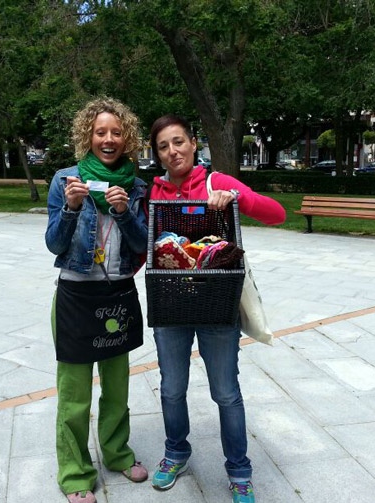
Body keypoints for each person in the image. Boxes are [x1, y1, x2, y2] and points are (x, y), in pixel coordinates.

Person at [148, 115, 286, 503]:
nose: (172, 151)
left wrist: (235, 198)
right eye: (163, 146)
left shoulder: (217, 182)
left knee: (226, 392)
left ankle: (239, 470)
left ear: (194, 144)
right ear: (157, 154)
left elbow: (277, 214)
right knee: (171, 388)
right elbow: (143, 245)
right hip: (171, 305)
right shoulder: (154, 192)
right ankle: (176, 452)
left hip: (217, 302)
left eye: (178, 142)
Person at [45, 97, 150, 503]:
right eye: (100, 131)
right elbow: (54, 243)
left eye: (116, 132)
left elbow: (142, 244)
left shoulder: (136, 186)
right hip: (76, 294)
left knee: (117, 388)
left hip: (118, 293)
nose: (108, 139)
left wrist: (124, 212)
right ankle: (75, 472)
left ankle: (117, 452)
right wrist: (71, 208)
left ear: (127, 138)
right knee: (74, 394)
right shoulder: (65, 180)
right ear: (87, 136)